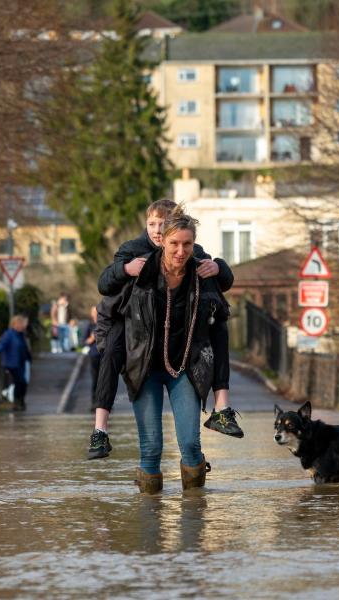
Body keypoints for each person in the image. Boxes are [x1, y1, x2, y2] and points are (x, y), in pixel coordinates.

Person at [86, 199, 240, 460]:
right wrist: (125, 269)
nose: (157, 230)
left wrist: (219, 266)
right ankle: (100, 429)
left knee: (220, 325)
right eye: (152, 224)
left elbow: (222, 280)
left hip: (180, 362)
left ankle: (222, 409)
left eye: (163, 224)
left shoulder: (191, 253)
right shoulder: (132, 250)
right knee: (111, 349)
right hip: (132, 335)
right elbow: (104, 283)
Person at [120, 211, 233, 493]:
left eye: (187, 244)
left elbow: (221, 326)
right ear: (163, 242)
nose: (181, 251)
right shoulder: (142, 272)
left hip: (184, 369)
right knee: (151, 448)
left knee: (191, 445)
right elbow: (108, 296)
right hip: (145, 370)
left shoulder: (203, 273)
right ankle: (150, 524)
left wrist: (219, 267)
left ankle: (194, 517)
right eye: (174, 244)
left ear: (194, 244)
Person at [0, 314, 33, 411]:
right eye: (20, 323)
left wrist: (29, 358)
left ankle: (21, 401)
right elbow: (2, 344)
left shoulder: (21, 335)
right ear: (14, 324)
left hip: (21, 362)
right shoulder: (9, 334)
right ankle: (17, 402)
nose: (22, 325)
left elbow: (24, 348)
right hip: (12, 363)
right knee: (19, 382)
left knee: (23, 383)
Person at [84, 306, 101, 401]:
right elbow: (84, 341)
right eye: (93, 312)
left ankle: (104, 402)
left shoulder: (104, 324)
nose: (96, 313)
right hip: (94, 355)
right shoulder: (90, 326)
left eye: (97, 311)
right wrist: (91, 339)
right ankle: (94, 401)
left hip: (104, 356)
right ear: (91, 314)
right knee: (95, 379)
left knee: (104, 380)